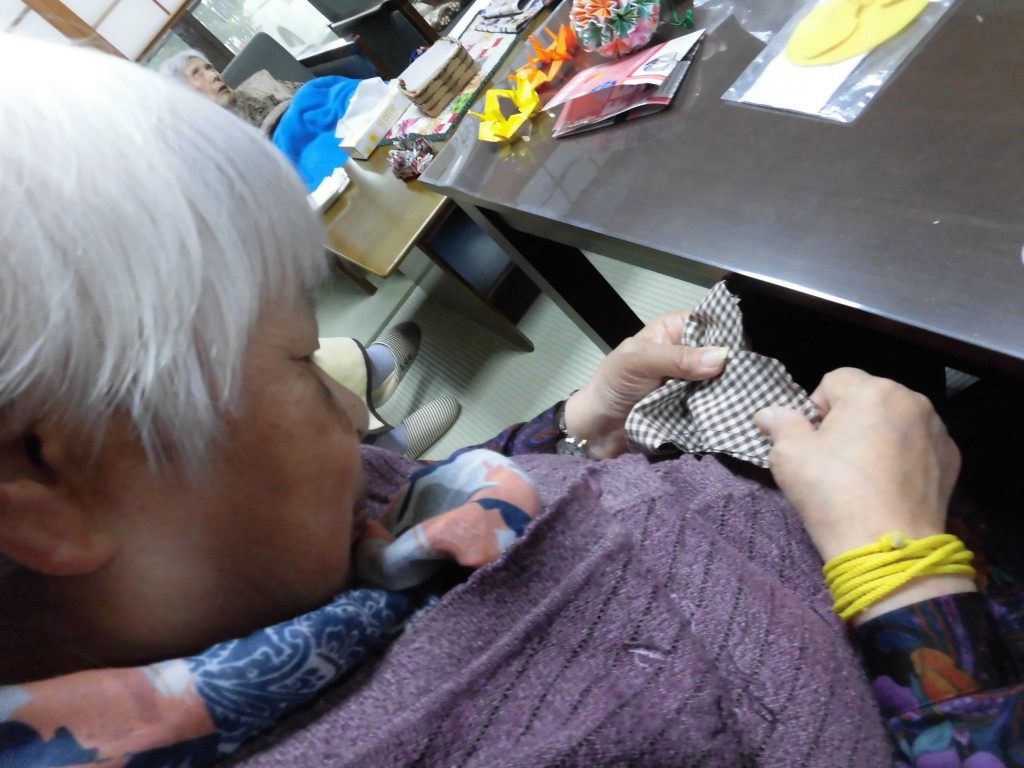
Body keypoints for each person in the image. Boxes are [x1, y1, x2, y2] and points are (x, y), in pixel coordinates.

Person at [0, 34, 1021, 768]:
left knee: (801, 278)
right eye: (302, 364)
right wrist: (903, 575)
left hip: (781, 511)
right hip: (937, 622)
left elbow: (392, 518)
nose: (355, 416)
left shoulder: (216, 578)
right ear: (42, 492)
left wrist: (574, 425)